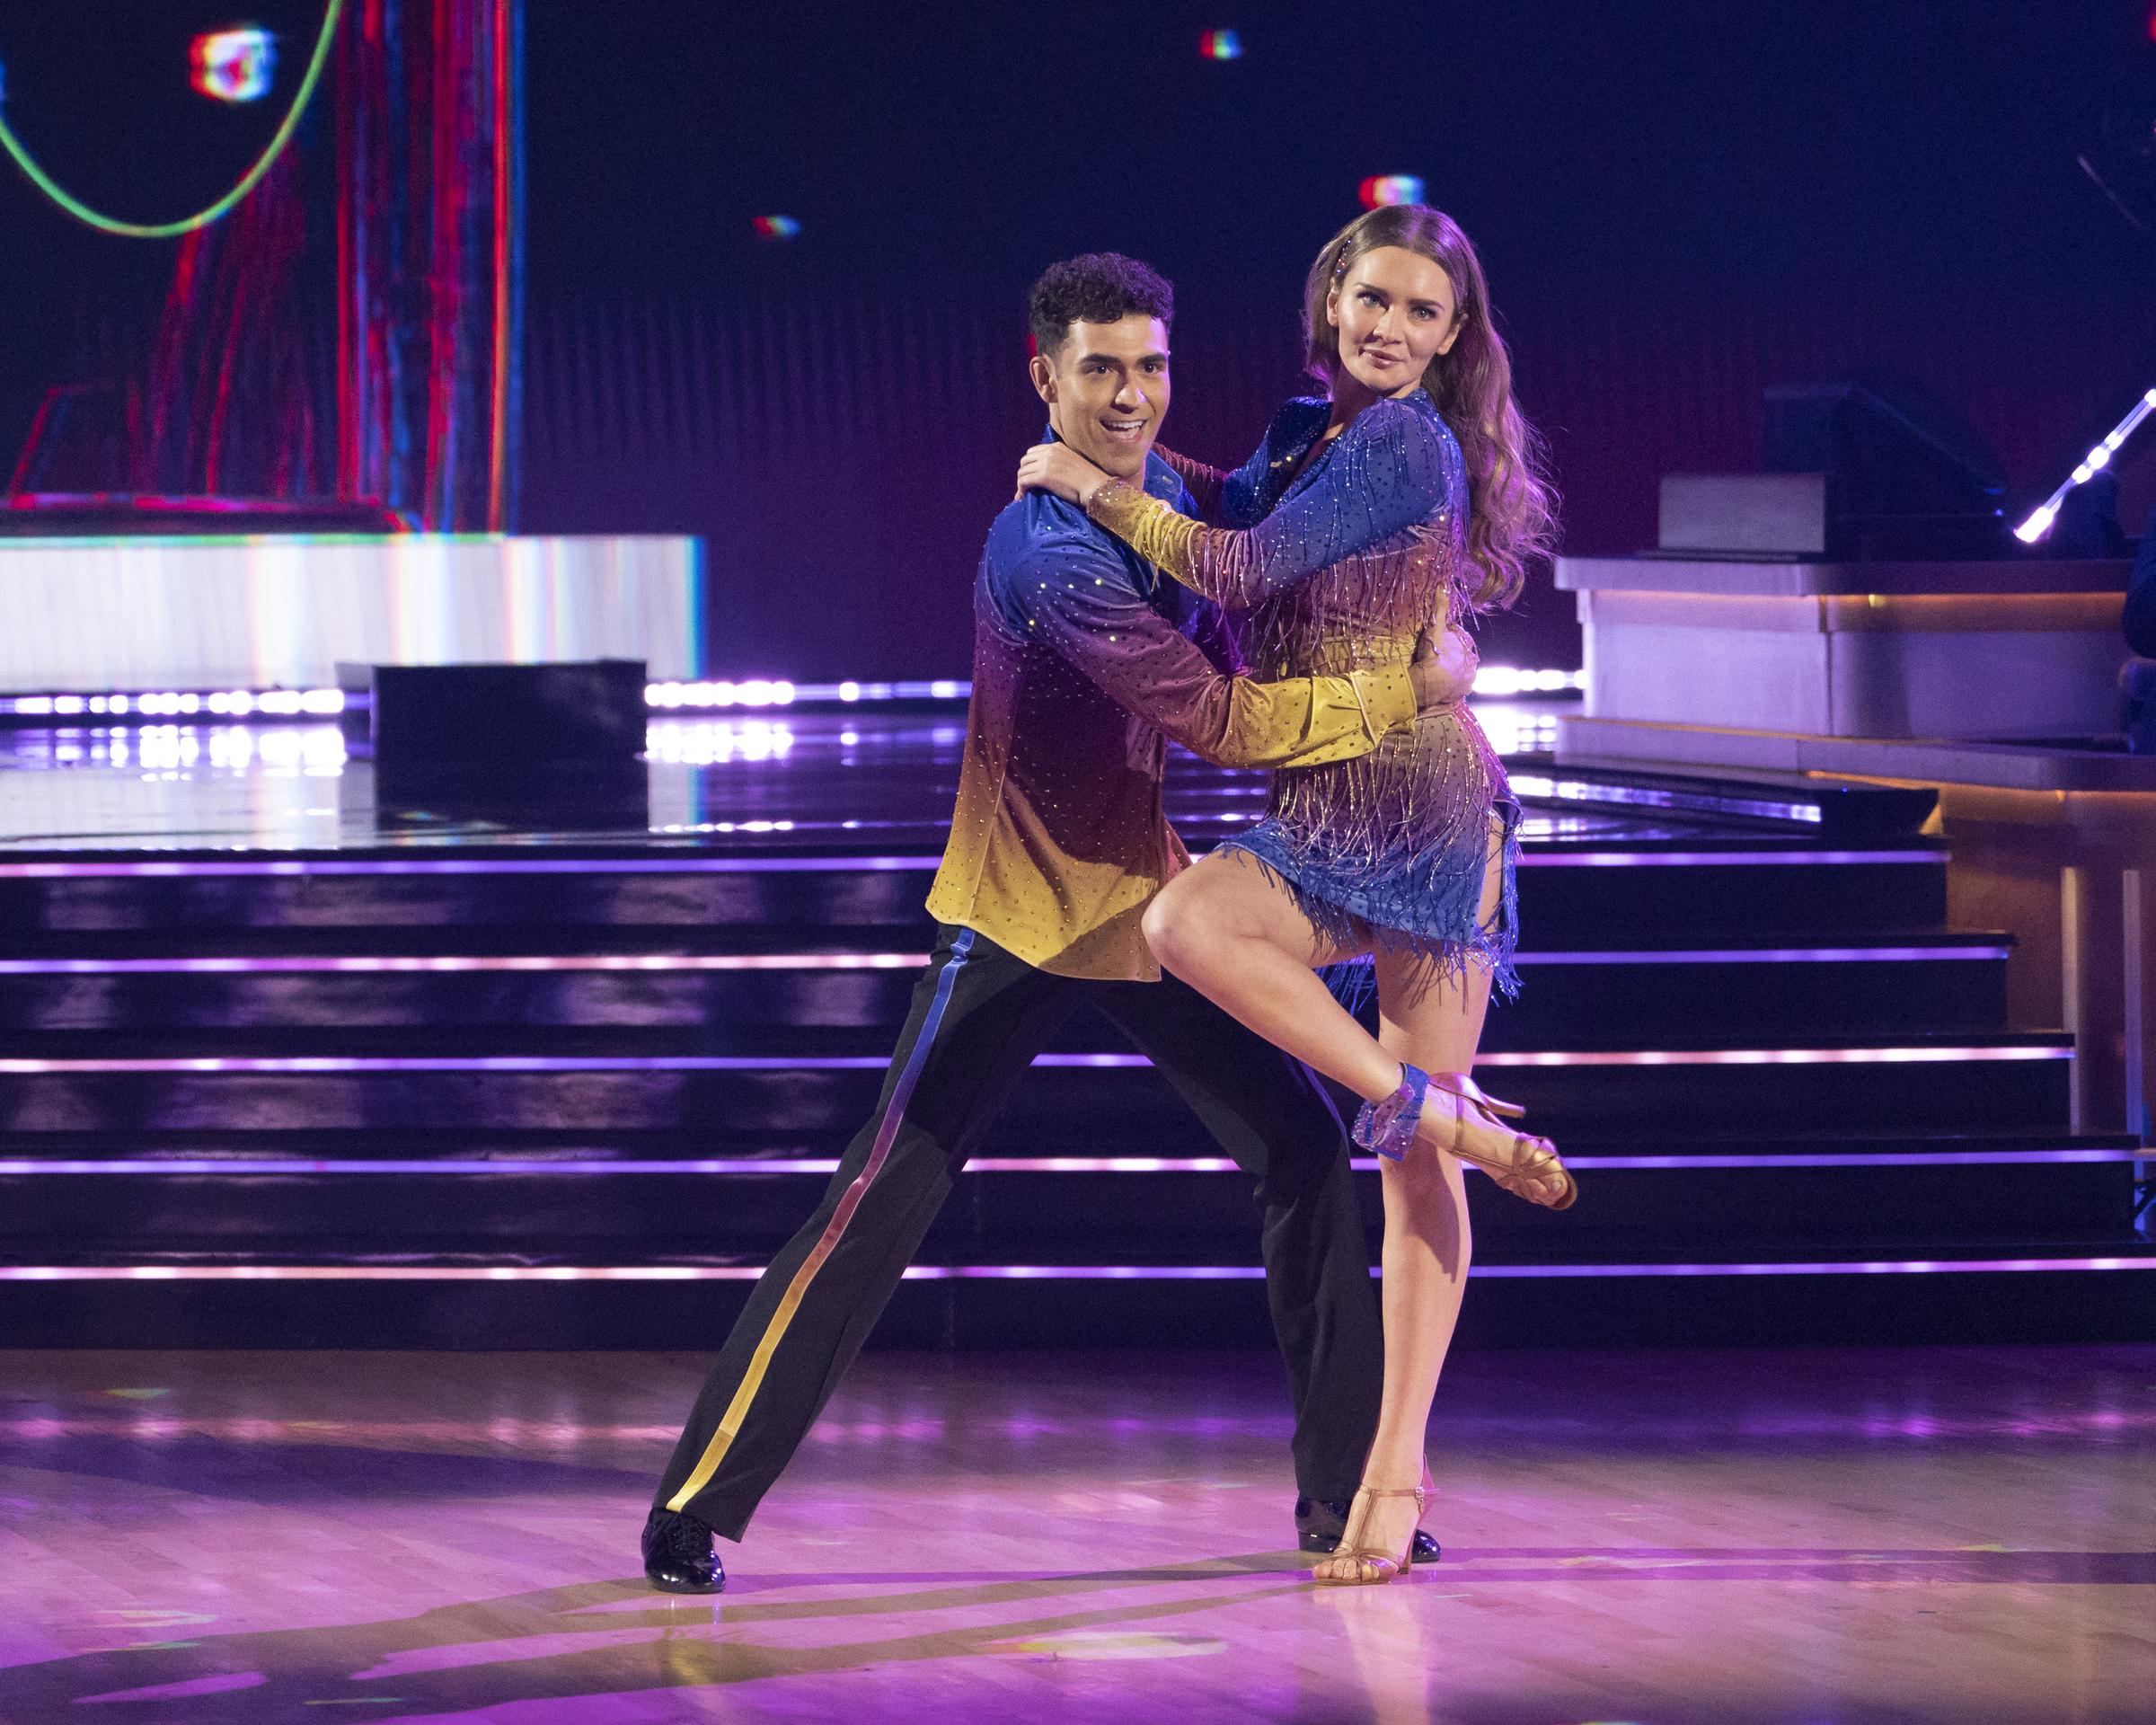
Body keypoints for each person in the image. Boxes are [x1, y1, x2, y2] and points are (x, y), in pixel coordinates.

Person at [641, 251, 1477, 1593]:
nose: (1134, 394)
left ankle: (1344, 1503)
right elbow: (1221, 718)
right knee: (879, 1202)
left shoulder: (1144, 487)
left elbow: (1243, 520)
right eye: (1103, 370)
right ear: (1046, 378)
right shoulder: (1045, 550)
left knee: (1304, 1159)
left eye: (1151, 365)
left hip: (1146, 903)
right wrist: (1412, 696)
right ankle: (695, 1501)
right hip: (1021, 915)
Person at [1016, 205, 1570, 1585]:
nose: (1389, 329)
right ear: (1332, 299)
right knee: (1191, 921)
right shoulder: (1303, 429)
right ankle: (1426, 1105)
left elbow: (1242, 566)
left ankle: (1395, 1469)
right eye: (1372, 300)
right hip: (1326, 804)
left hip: (1431, 806)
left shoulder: (1406, 439)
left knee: (1414, 1187)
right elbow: (1225, 508)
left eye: (1422, 314)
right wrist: (1124, 458)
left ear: (1451, 340)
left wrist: (1085, 484)